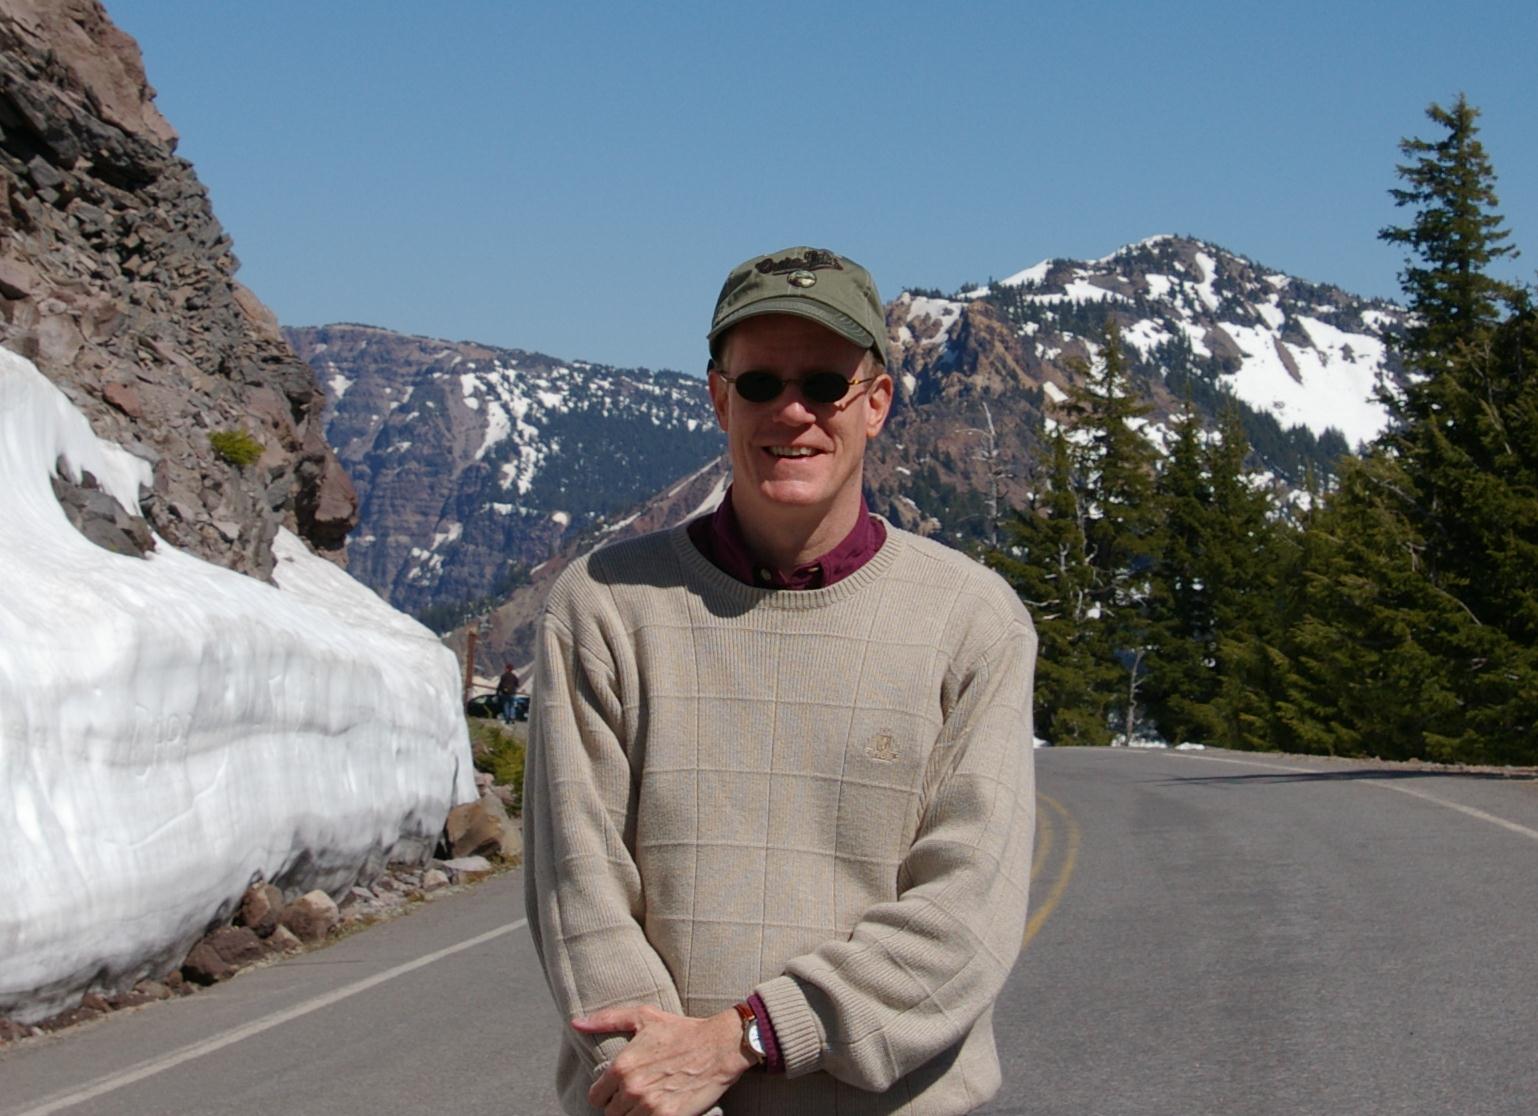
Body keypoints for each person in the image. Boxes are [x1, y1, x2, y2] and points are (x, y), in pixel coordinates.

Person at [523, 246, 1037, 1116]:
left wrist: (745, 1038)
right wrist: (667, 1081)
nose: (792, 412)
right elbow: (579, 893)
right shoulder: (604, 605)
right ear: (719, 397)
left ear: (876, 404)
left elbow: (965, 915)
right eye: (760, 384)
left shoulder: (973, 621)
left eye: (825, 384)